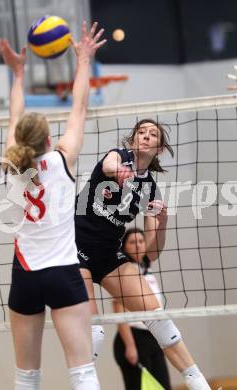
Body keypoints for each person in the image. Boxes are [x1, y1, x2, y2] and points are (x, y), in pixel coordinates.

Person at [0, 21, 106, 390]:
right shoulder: (62, 160)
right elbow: (80, 104)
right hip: (63, 273)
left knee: (26, 375)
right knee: (82, 370)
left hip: (25, 275)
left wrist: (18, 72)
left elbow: (14, 116)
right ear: (48, 138)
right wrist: (84, 60)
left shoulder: (10, 163)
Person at [75, 119, 211, 390]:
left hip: (109, 255)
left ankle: (200, 385)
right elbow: (107, 165)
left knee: (161, 321)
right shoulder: (119, 156)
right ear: (133, 139)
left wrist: (162, 223)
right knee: (95, 331)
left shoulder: (150, 189)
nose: (146, 137)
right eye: (141, 132)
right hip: (75, 246)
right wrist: (119, 172)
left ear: (159, 148)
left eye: (153, 135)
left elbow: (150, 253)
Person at [113, 228, 171, 390]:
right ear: (124, 247)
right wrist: (130, 346)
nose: (138, 245)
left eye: (141, 241)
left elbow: (154, 236)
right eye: (132, 242)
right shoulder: (124, 272)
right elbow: (119, 313)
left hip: (153, 336)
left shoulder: (147, 269)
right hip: (133, 338)